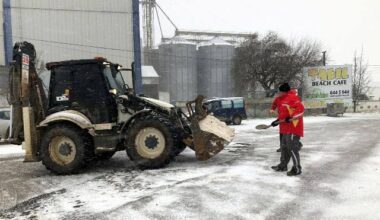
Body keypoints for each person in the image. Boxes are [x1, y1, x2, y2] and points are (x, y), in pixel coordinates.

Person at [271, 83, 305, 176]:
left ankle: (297, 168)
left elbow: (301, 110)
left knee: (293, 149)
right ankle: (283, 165)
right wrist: (277, 121)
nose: (278, 93)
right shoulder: (282, 99)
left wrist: (291, 118)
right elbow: (283, 115)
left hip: (293, 128)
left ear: (283, 91)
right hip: (285, 128)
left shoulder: (292, 98)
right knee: (284, 147)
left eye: (279, 91)